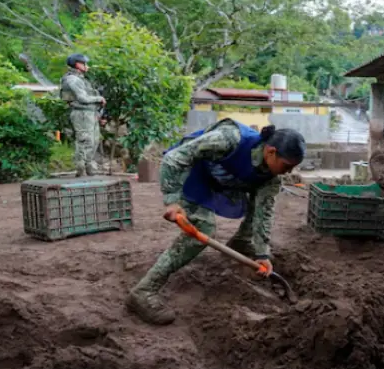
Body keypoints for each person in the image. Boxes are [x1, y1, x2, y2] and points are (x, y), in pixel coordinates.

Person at [126, 119, 306, 325]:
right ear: (271, 152)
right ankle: (144, 291)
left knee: (259, 203)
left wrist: (262, 253)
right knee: (204, 227)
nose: (289, 172)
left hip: (221, 179)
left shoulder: (272, 178)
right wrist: (172, 201)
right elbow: (175, 158)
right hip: (191, 171)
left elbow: (264, 213)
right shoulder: (229, 139)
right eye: (287, 166)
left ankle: (241, 242)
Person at [59, 54, 106, 177]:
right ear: (78, 64)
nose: (87, 66)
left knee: (94, 140)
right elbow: (82, 98)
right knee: (84, 140)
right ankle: (81, 168)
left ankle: (88, 166)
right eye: (84, 63)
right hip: (81, 113)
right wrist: (99, 98)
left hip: (90, 113)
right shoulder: (72, 79)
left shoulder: (81, 79)